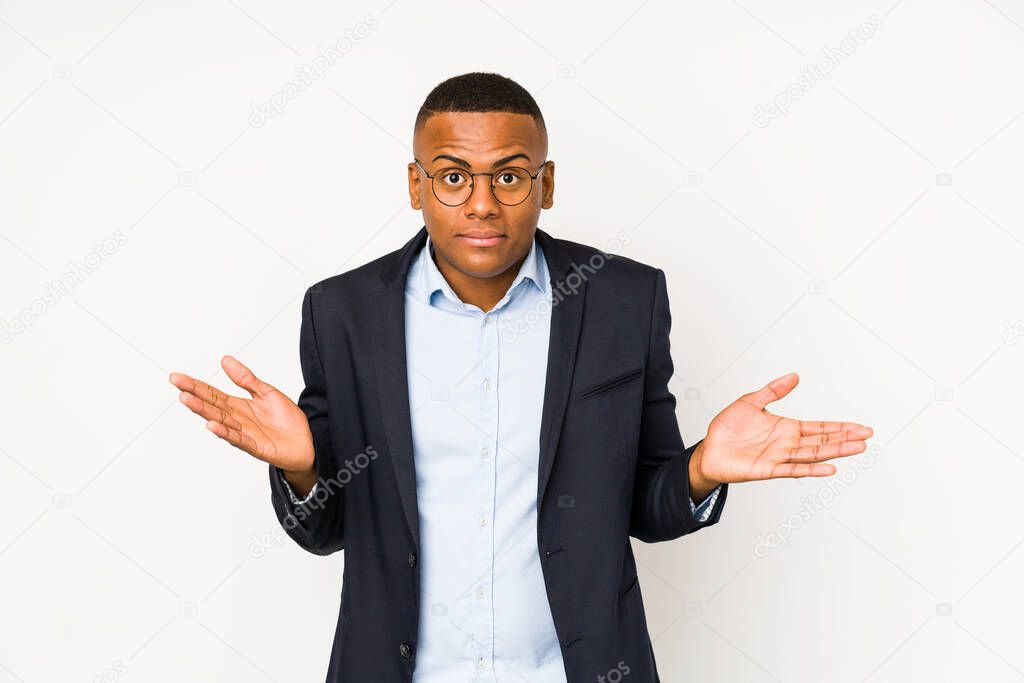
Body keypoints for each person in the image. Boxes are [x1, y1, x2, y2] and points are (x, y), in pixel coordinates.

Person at [168, 72, 873, 682]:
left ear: (547, 183)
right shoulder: (344, 312)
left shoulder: (623, 300)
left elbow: (645, 506)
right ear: (416, 185)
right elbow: (326, 531)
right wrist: (302, 471)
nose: (481, 203)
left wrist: (701, 470)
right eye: (452, 176)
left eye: (508, 175)